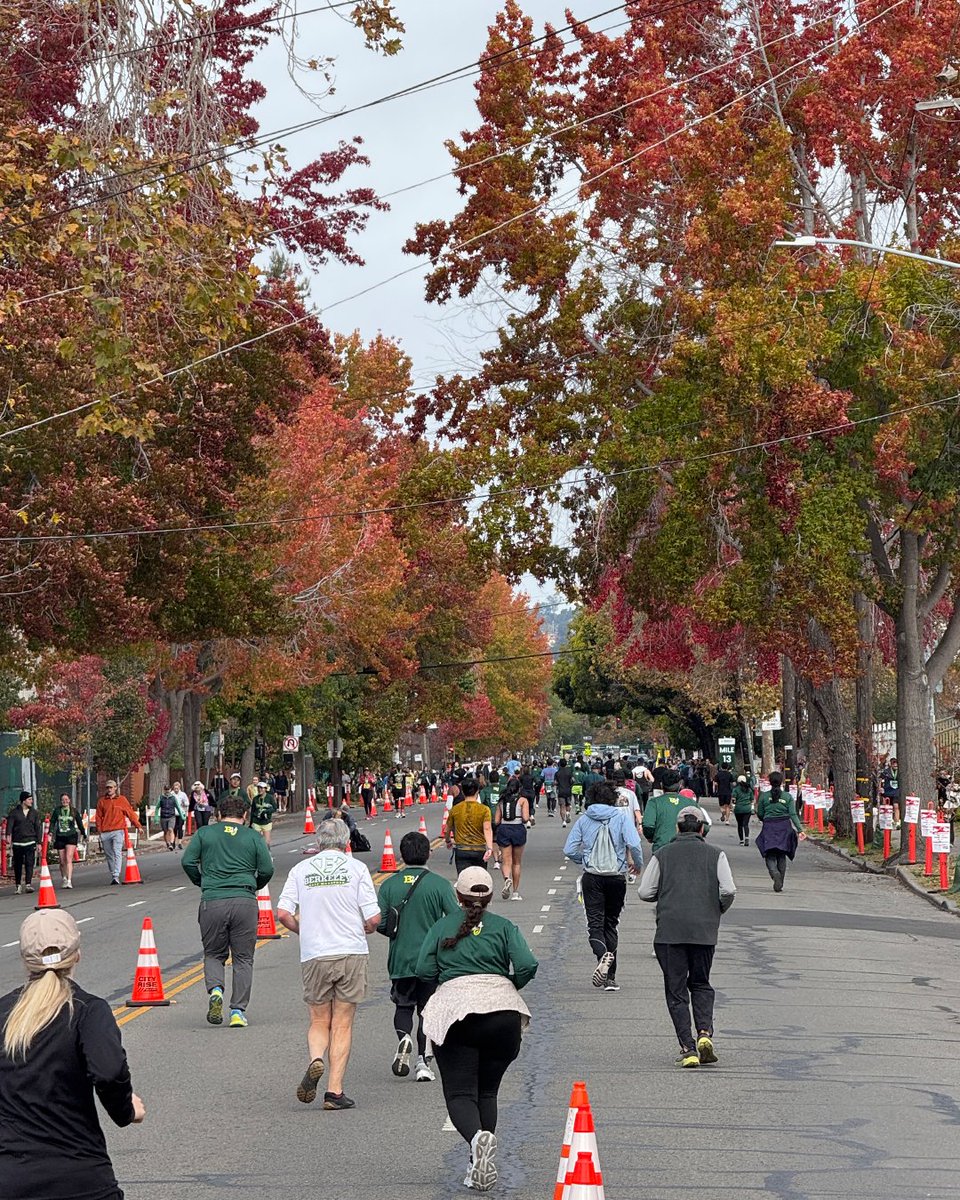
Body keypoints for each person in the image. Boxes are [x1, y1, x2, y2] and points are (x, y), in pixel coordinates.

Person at [0, 909, 146, 1200]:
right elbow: (109, 1071)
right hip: (80, 1177)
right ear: (77, 954)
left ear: (25, 959)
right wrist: (125, 1109)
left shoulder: (4, 1012)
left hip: (11, 1178)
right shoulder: (88, 1011)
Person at [416, 867, 538, 1193]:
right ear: (490, 896)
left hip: (457, 1016)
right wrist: (508, 985)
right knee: (487, 1092)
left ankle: (476, 1140)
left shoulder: (442, 926)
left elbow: (423, 969)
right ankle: (478, 1162)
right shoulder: (504, 927)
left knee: (460, 1094)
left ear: (458, 895)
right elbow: (527, 964)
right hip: (502, 1015)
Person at [277, 819, 380, 1111]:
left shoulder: (301, 870)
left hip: (315, 953)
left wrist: (302, 930)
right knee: (343, 1023)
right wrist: (368, 928)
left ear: (317, 842)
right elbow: (374, 918)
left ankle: (316, 1059)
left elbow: (283, 913)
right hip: (350, 951)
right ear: (347, 842)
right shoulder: (356, 868)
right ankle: (334, 1092)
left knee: (319, 1020)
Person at [638, 806, 737, 1067]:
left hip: (670, 931)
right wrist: (715, 909)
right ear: (702, 829)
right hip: (704, 930)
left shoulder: (662, 854)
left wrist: (664, 895)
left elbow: (645, 891)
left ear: (678, 828)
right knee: (701, 982)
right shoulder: (716, 854)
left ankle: (688, 1047)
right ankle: (704, 1032)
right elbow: (728, 890)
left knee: (676, 989)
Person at [181, 795, 274, 1028]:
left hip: (213, 900)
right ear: (245, 815)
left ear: (218, 814)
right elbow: (266, 868)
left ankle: (216, 991)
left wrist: (202, 882)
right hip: (244, 900)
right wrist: (254, 885)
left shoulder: (204, 834)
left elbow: (188, 861)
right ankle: (237, 1011)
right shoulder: (253, 836)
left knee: (213, 953)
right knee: (243, 958)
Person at [376, 831, 458, 1082]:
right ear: (428, 854)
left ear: (402, 855)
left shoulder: (388, 885)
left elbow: (381, 923)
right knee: (426, 1011)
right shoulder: (440, 885)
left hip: (401, 957)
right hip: (431, 960)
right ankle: (423, 1062)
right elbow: (455, 920)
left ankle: (404, 1038)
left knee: (403, 1006)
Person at [563, 780, 645, 991]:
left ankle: (602, 957)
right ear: (613, 799)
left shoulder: (584, 819)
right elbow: (634, 844)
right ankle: (611, 978)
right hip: (616, 877)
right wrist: (637, 864)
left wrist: (584, 859)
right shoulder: (621, 817)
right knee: (611, 923)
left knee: (595, 924)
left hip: (592, 877)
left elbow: (569, 849)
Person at [756, 771, 806, 891]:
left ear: (770, 782)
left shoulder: (763, 796)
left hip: (769, 826)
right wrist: (800, 830)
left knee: (769, 853)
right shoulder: (787, 797)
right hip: (784, 827)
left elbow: (760, 813)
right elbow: (793, 814)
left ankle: (774, 873)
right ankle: (780, 881)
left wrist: (765, 819)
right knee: (781, 854)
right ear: (782, 782)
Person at [95, 781, 142, 886]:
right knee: (109, 854)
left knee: (117, 852)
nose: (109, 789)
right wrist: (99, 830)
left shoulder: (122, 800)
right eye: (107, 788)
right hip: (105, 831)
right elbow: (98, 817)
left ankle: (116, 875)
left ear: (115, 788)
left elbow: (130, 813)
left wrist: (138, 826)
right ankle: (113, 874)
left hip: (118, 830)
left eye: (111, 787)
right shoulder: (102, 801)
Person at [445, 776, 494, 874]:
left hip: (462, 849)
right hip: (479, 849)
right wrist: (489, 847)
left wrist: (448, 840)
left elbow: (448, 828)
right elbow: (487, 829)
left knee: (463, 878)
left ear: (463, 792)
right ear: (477, 792)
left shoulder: (455, 809)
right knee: (480, 878)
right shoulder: (484, 809)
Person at [494, 776, 529, 901]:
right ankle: (515, 892)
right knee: (517, 862)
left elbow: (496, 820)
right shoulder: (523, 800)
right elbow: (525, 818)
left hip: (504, 829)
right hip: (518, 829)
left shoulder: (501, 801)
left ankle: (506, 878)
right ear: (519, 789)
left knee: (506, 860)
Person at [641, 769, 689, 853]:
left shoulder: (654, 803)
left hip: (661, 848)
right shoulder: (690, 802)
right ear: (680, 784)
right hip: (686, 849)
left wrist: (651, 837)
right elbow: (705, 827)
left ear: (661, 784)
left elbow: (648, 825)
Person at [7, 791, 42, 894]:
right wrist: (8, 835)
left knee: (29, 863)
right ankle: (18, 885)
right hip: (18, 842)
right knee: (17, 864)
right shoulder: (14, 813)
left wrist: (39, 842)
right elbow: (10, 825)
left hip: (30, 841)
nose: (31, 801)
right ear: (23, 800)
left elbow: (37, 827)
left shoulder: (34, 813)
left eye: (31, 799)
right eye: (29, 799)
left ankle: (28, 884)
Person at [51, 793, 86, 888]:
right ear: (60, 801)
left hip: (71, 836)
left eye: (66, 799)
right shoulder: (57, 811)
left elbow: (79, 823)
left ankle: (69, 880)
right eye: (63, 800)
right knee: (62, 861)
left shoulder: (74, 811)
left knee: (68, 858)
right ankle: (64, 878)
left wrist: (83, 833)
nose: (65, 801)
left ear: (69, 800)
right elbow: (52, 822)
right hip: (60, 836)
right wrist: (50, 832)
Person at [154, 783, 185, 851]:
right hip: (163, 817)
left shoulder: (173, 798)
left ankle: (171, 843)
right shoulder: (161, 798)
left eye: (168, 789)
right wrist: (156, 817)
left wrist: (182, 815)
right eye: (166, 789)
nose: (167, 791)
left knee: (170, 829)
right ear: (164, 790)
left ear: (170, 790)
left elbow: (178, 807)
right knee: (165, 831)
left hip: (171, 816)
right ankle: (168, 843)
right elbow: (157, 808)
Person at [248, 780, 277, 846]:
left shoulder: (270, 797)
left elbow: (275, 808)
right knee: (257, 840)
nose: (260, 790)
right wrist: (251, 823)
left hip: (266, 821)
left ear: (265, 789)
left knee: (266, 842)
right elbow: (253, 811)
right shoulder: (255, 799)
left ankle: (267, 851)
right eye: (258, 788)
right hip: (256, 821)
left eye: (261, 788)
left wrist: (267, 812)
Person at [732, 775, 755, 845]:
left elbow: (733, 800)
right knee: (746, 824)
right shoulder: (749, 789)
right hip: (747, 809)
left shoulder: (736, 789)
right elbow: (752, 800)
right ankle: (747, 838)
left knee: (739, 825)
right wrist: (752, 808)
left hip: (738, 809)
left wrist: (733, 807)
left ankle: (741, 840)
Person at [171, 780, 189, 848]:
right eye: (175, 788)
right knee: (174, 828)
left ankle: (179, 842)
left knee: (180, 827)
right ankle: (173, 841)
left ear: (179, 787)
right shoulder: (171, 794)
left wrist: (184, 803)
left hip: (181, 813)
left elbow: (187, 803)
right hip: (173, 813)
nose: (176, 789)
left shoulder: (183, 794)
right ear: (173, 788)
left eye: (177, 788)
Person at [555, 757, 573, 827]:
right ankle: (568, 812)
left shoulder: (557, 773)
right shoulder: (569, 772)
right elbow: (572, 780)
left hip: (561, 791)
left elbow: (555, 782)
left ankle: (563, 821)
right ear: (566, 764)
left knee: (562, 806)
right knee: (568, 804)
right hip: (568, 790)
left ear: (559, 764)